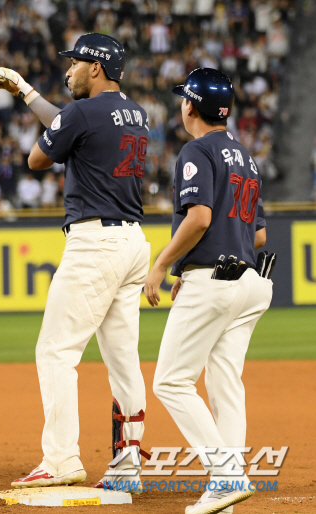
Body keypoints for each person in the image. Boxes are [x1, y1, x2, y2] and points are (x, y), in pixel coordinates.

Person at [0, 33, 151, 492]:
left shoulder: (82, 113)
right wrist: (27, 93)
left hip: (94, 244)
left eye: (76, 62)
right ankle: (128, 465)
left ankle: (61, 459)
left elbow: (38, 157)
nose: (69, 70)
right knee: (123, 361)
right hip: (133, 243)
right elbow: (73, 122)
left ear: (96, 68)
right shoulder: (135, 112)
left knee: (56, 351)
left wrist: (32, 102)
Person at [146, 68, 273, 514]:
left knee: (171, 382)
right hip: (251, 284)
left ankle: (225, 475)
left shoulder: (196, 150)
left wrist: (163, 264)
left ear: (191, 106)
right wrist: (191, 265)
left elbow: (199, 218)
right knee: (224, 384)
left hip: (214, 282)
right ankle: (229, 492)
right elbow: (256, 237)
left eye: (184, 98)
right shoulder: (248, 157)